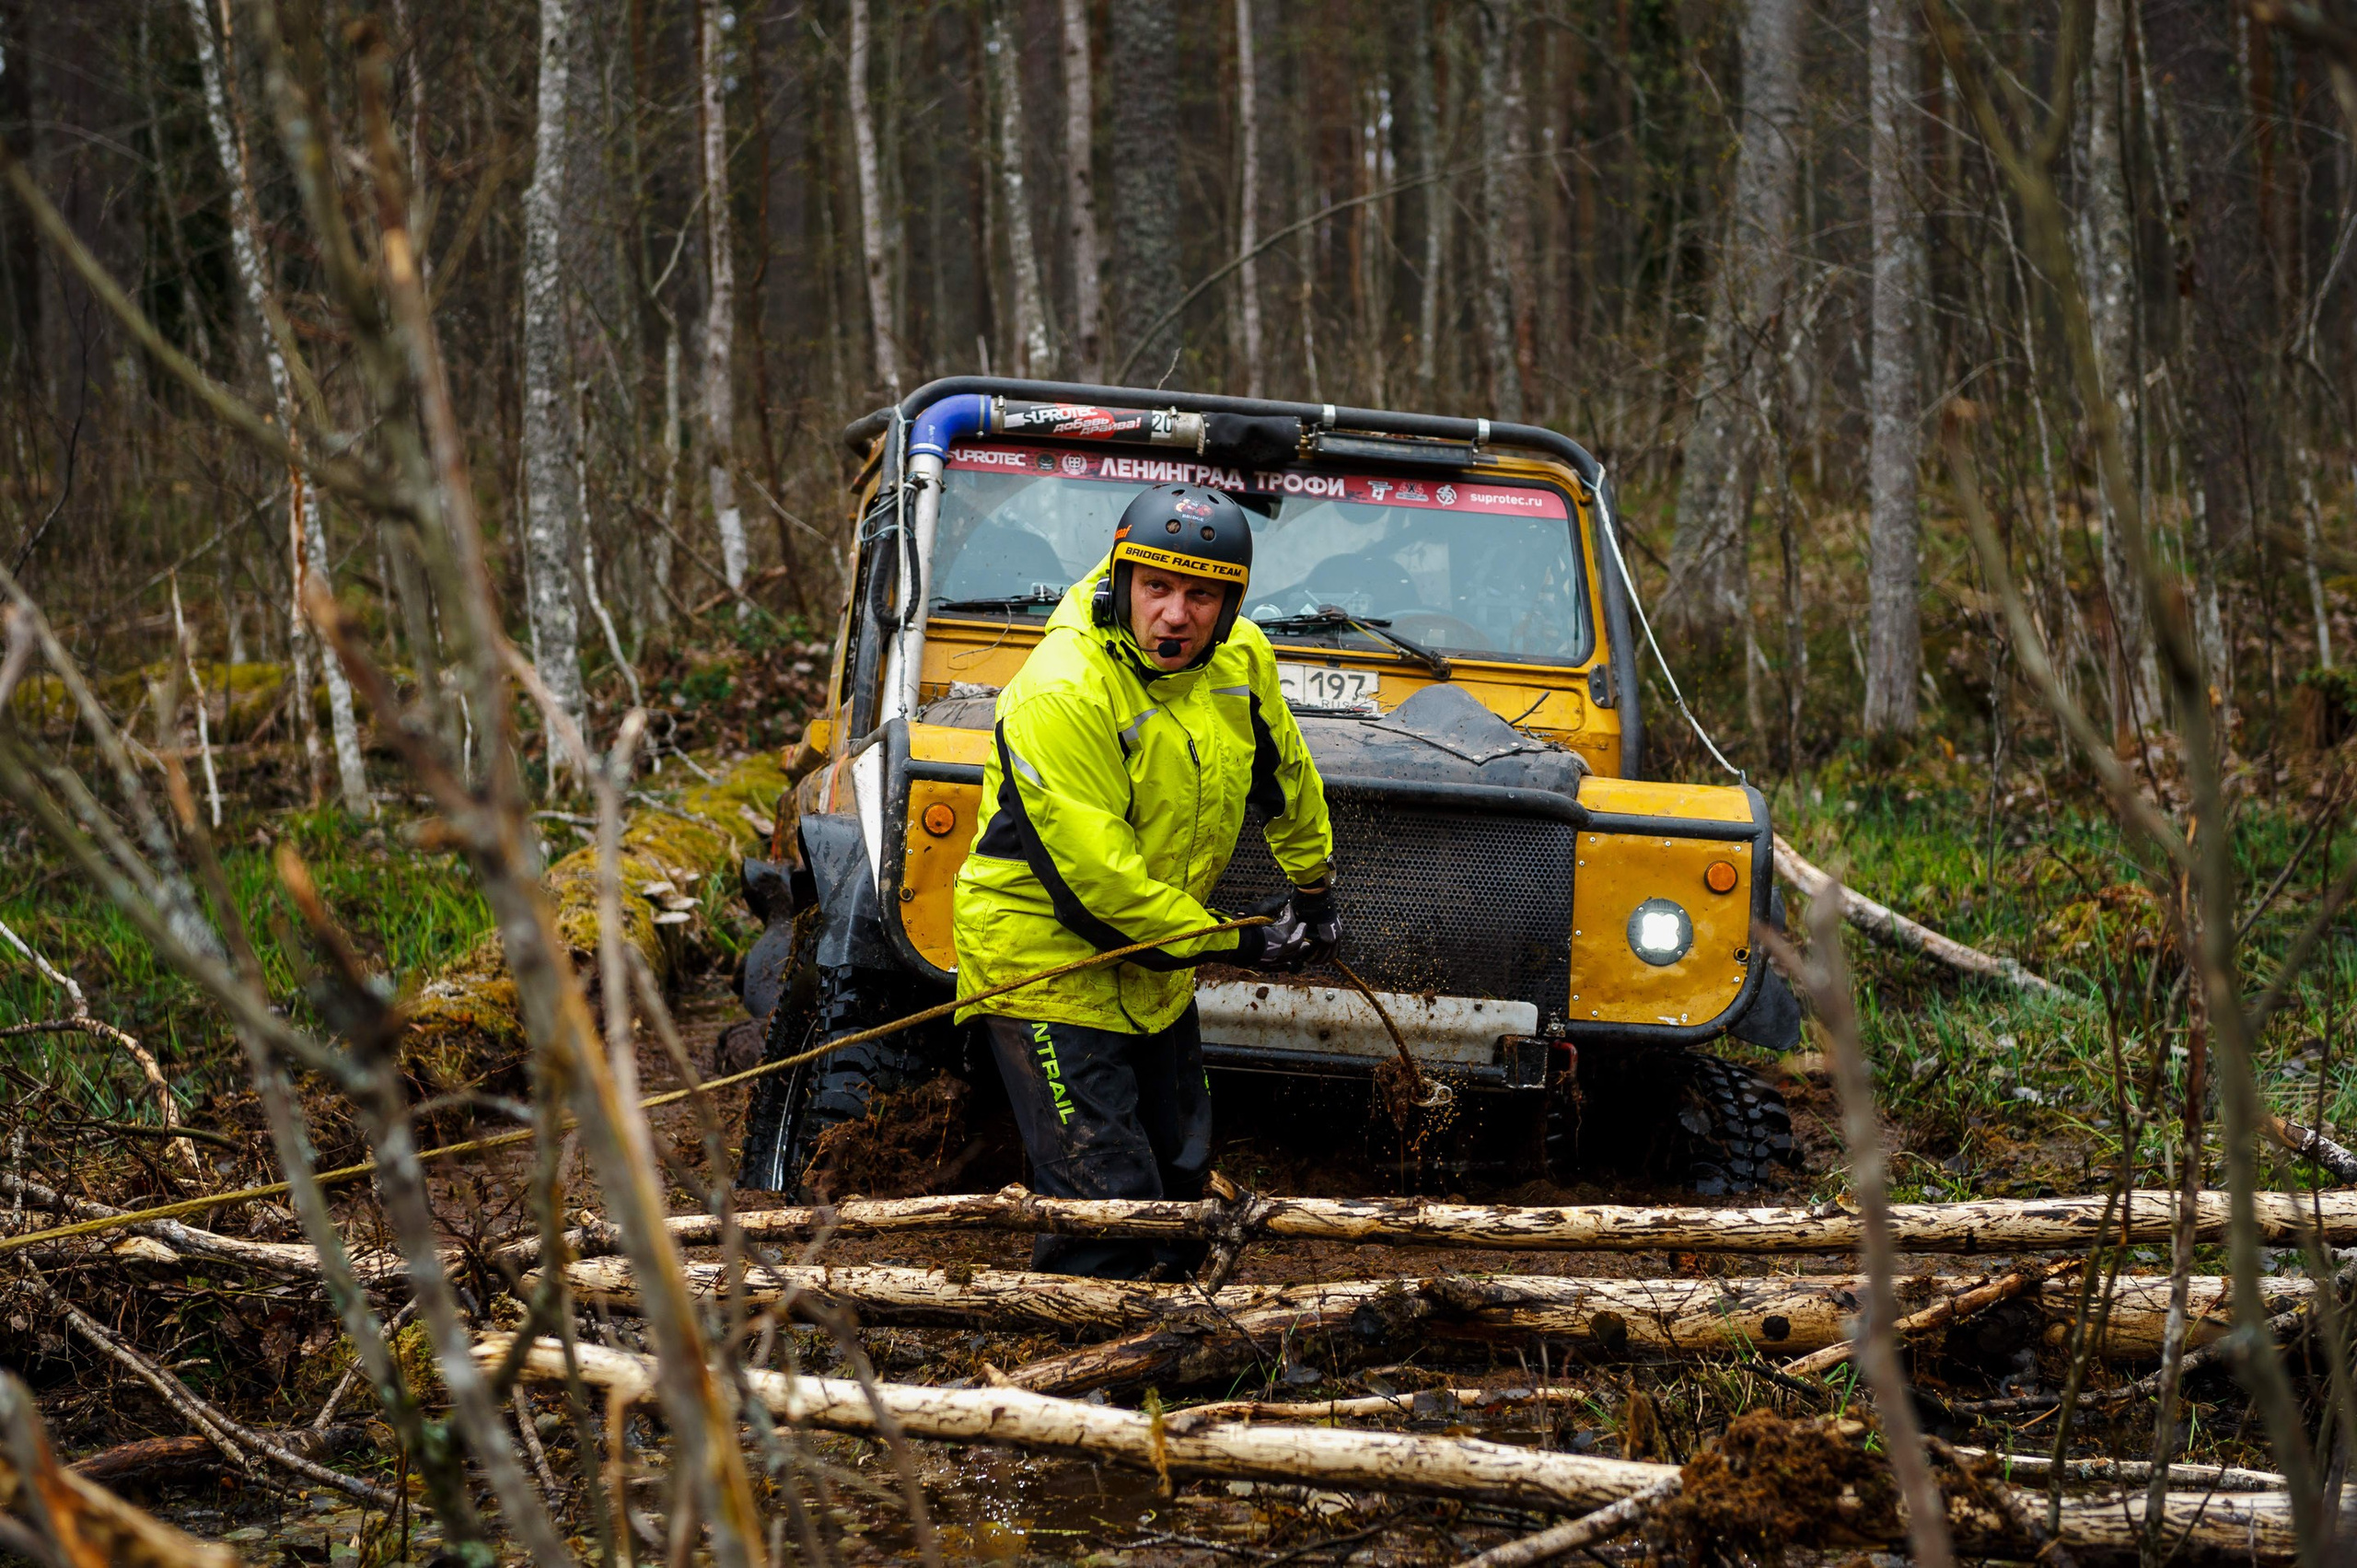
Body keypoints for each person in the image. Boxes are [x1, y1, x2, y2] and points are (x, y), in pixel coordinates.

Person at [950, 482, 1339, 1279]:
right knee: (1108, 1202)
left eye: (1201, 596)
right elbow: (1098, 889)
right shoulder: (1063, 688)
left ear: (1230, 604)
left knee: (1182, 1180)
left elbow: (1286, 778)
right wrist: (1241, 941)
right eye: (1156, 587)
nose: (1175, 615)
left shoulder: (1240, 658)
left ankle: (1173, 1325)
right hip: (1044, 965)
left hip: (1157, 965)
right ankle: (1087, 1343)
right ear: (1121, 579)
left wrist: (1314, 891)